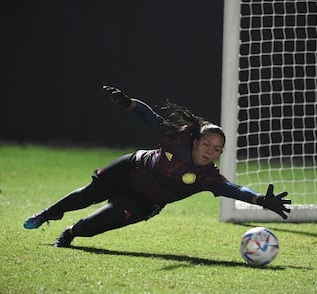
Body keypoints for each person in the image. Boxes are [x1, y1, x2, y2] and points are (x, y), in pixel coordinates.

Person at [23, 86, 291, 247]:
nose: (212, 151)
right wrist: (129, 104)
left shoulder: (208, 177)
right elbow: (150, 117)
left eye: (217, 149)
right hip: (130, 170)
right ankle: (47, 214)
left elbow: (234, 189)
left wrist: (259, 199)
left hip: (145, 202)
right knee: (87, 195)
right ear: (195, 140)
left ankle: (69, 233)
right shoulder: (177, 139)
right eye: (207, 144)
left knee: (96, 225)